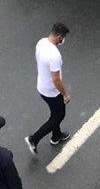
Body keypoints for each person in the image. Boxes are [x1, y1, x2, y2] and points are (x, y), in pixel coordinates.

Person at [26, 23, 71, 155]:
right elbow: (56, 79)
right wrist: (65, 94)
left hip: (42, 86)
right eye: (63, 37)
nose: (63, 40)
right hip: (52, 91)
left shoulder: (41, 42)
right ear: (58, 36)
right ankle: (33, 139)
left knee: (54, 113)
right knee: (59, 115)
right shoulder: (54, 55)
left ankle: (56, 136)